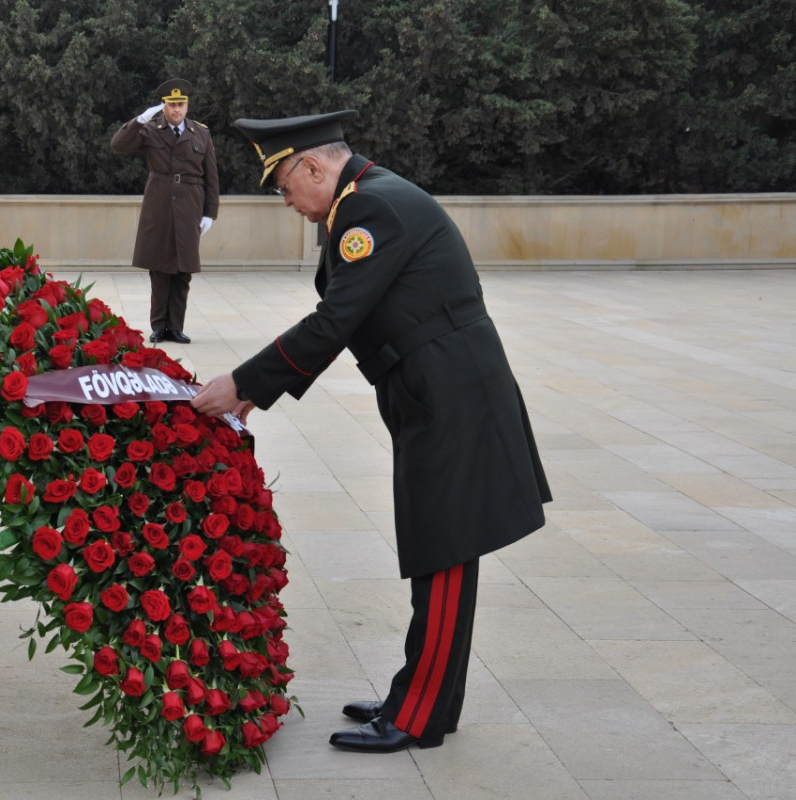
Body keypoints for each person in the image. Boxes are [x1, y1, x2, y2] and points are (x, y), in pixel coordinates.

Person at [191, 110, 551, 754]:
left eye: (283, 187)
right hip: (440, 391)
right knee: (438, 547)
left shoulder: (371, 211)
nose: (286, 202)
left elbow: (334, 322)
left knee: (443, 552)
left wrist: (243, 385)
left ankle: (417, 715)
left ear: (312, 165)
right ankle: (421, 696)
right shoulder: (370, 198)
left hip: (452, 398)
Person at [111, 78, 220, 344]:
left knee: (183, 270)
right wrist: (139, 120)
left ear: (187, 105)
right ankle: (159, 326)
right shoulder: (150, 130)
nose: (176, 110)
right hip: (159, 203)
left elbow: (212, 177)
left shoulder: (201, 133)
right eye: (171, 105)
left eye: (181, 104)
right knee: (159, 269)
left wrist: (209, 213)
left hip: (189, 204)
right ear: (163, 106)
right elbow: (118, 145)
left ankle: (176, 327)